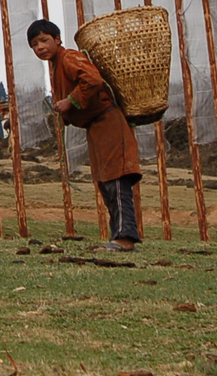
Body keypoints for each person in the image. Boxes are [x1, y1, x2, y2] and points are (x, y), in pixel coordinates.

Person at [27, 18, 143, 252]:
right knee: (106, 181)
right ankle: (120, 237)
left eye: (44, 40)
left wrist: (70, 102)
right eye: (34, 44)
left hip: (109, 122)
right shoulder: (57, 64)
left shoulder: (69, 57)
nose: (39, 47)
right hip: (97, 127)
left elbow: (92, 80)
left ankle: (125, 239)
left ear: (58, 39)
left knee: (116, 179)